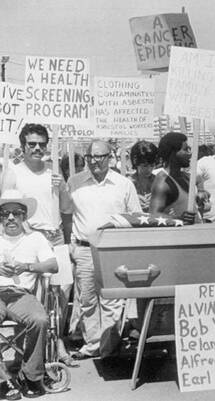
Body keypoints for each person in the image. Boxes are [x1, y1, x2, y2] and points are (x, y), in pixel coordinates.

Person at [0, 124, 75, 367]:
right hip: (30, 236)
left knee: (61, 291)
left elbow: (66, 209)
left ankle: (58, 341)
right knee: (32, 292)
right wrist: (26, 228)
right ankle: (29, 348)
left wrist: (62, 187)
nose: (37, 148)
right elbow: (7, 207)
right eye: (32, 144)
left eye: (42, 144)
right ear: (23, 147)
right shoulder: (13, 172)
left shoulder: (53, 172)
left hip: (55, 237)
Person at [66, 140, 142, 360]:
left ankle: (108, 349)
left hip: (112, 251)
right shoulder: (74, 182)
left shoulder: (123, 184)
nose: (95, 161)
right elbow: (68, 216)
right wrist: (71, 244)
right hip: (83, 249)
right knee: (87, 300)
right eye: (90, 157)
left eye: (100, 156)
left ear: (110, 156)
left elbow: (134, 217)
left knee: (112, 301)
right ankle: (93, 345)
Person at [0, 190, 58, 398]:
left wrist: (27, 266)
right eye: (5, 214)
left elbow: (53, 265)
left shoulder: (36, 238)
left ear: (24, 216)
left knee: (40, 319)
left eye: (16, 213)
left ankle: (31, 375)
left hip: (21, 294)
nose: (10, 218)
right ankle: (3, 380)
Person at [149, 133, 202, 224]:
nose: (190, 153)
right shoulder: (163, 183)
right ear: (173, 153)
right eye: (185, 149)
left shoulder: (185, 177)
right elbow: (153, 215)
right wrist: (179, 219)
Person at [129, 140, 158, 213]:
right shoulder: (127, 183)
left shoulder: (160, 182)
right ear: (136, 163)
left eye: (152, 165)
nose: (149, 169)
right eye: (144, 166)